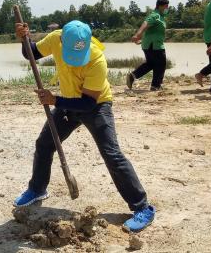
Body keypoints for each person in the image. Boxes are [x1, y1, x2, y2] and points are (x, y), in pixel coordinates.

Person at [14, 20, 155, 232]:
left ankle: (142, 207)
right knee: (44, 144)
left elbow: (88, 102)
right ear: (62, 40)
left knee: (112, 154)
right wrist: (23, 39)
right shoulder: (55, 38)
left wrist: (55, 101)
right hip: (66, 103)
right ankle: (37, 189)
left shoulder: (97, 58)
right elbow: (30, 54)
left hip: (95, 106)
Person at [127, 0, 170, 91]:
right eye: (166, 6)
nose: (168, 8)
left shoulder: (161, 16)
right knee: (161, 64)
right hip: (154, 46)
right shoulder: (155, 15)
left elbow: (152, 32)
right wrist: (137, 35)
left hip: (149, 44)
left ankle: (132, 76)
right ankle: (155, 86)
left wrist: (142, 40)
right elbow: (145, 24)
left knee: (150, 64)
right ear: (160, 6)